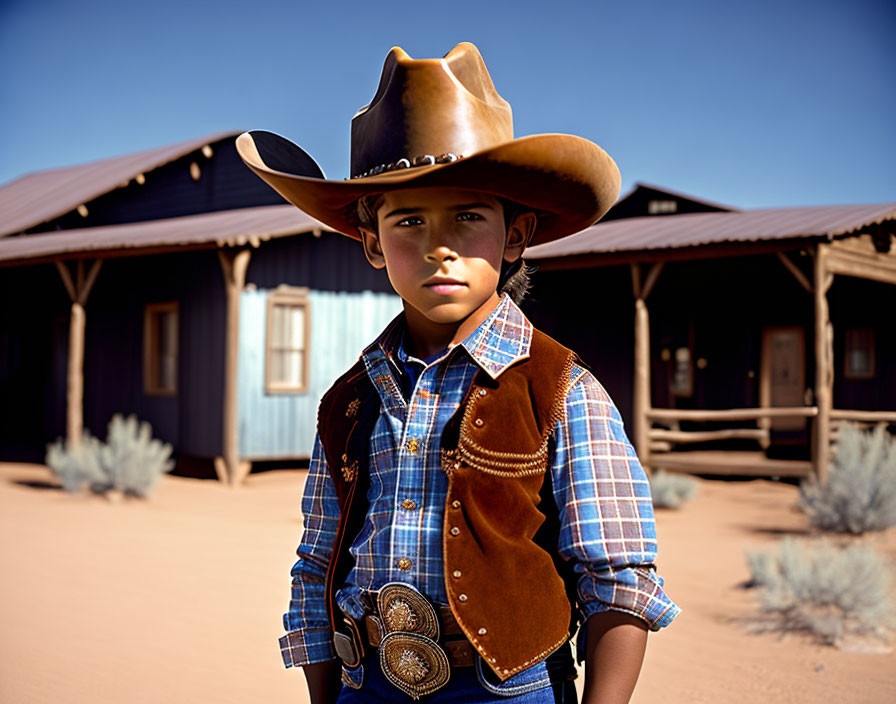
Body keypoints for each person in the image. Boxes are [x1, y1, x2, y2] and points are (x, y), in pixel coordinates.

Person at [236, 42, 679, 704]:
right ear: (371, 244)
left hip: (509, 689)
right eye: (407, 220)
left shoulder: (562, 392)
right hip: (367, 683)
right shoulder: (349, 404)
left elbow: (618, 578)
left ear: (515, 235)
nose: (437, 245)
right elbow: (319, 566)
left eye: (467, 216)